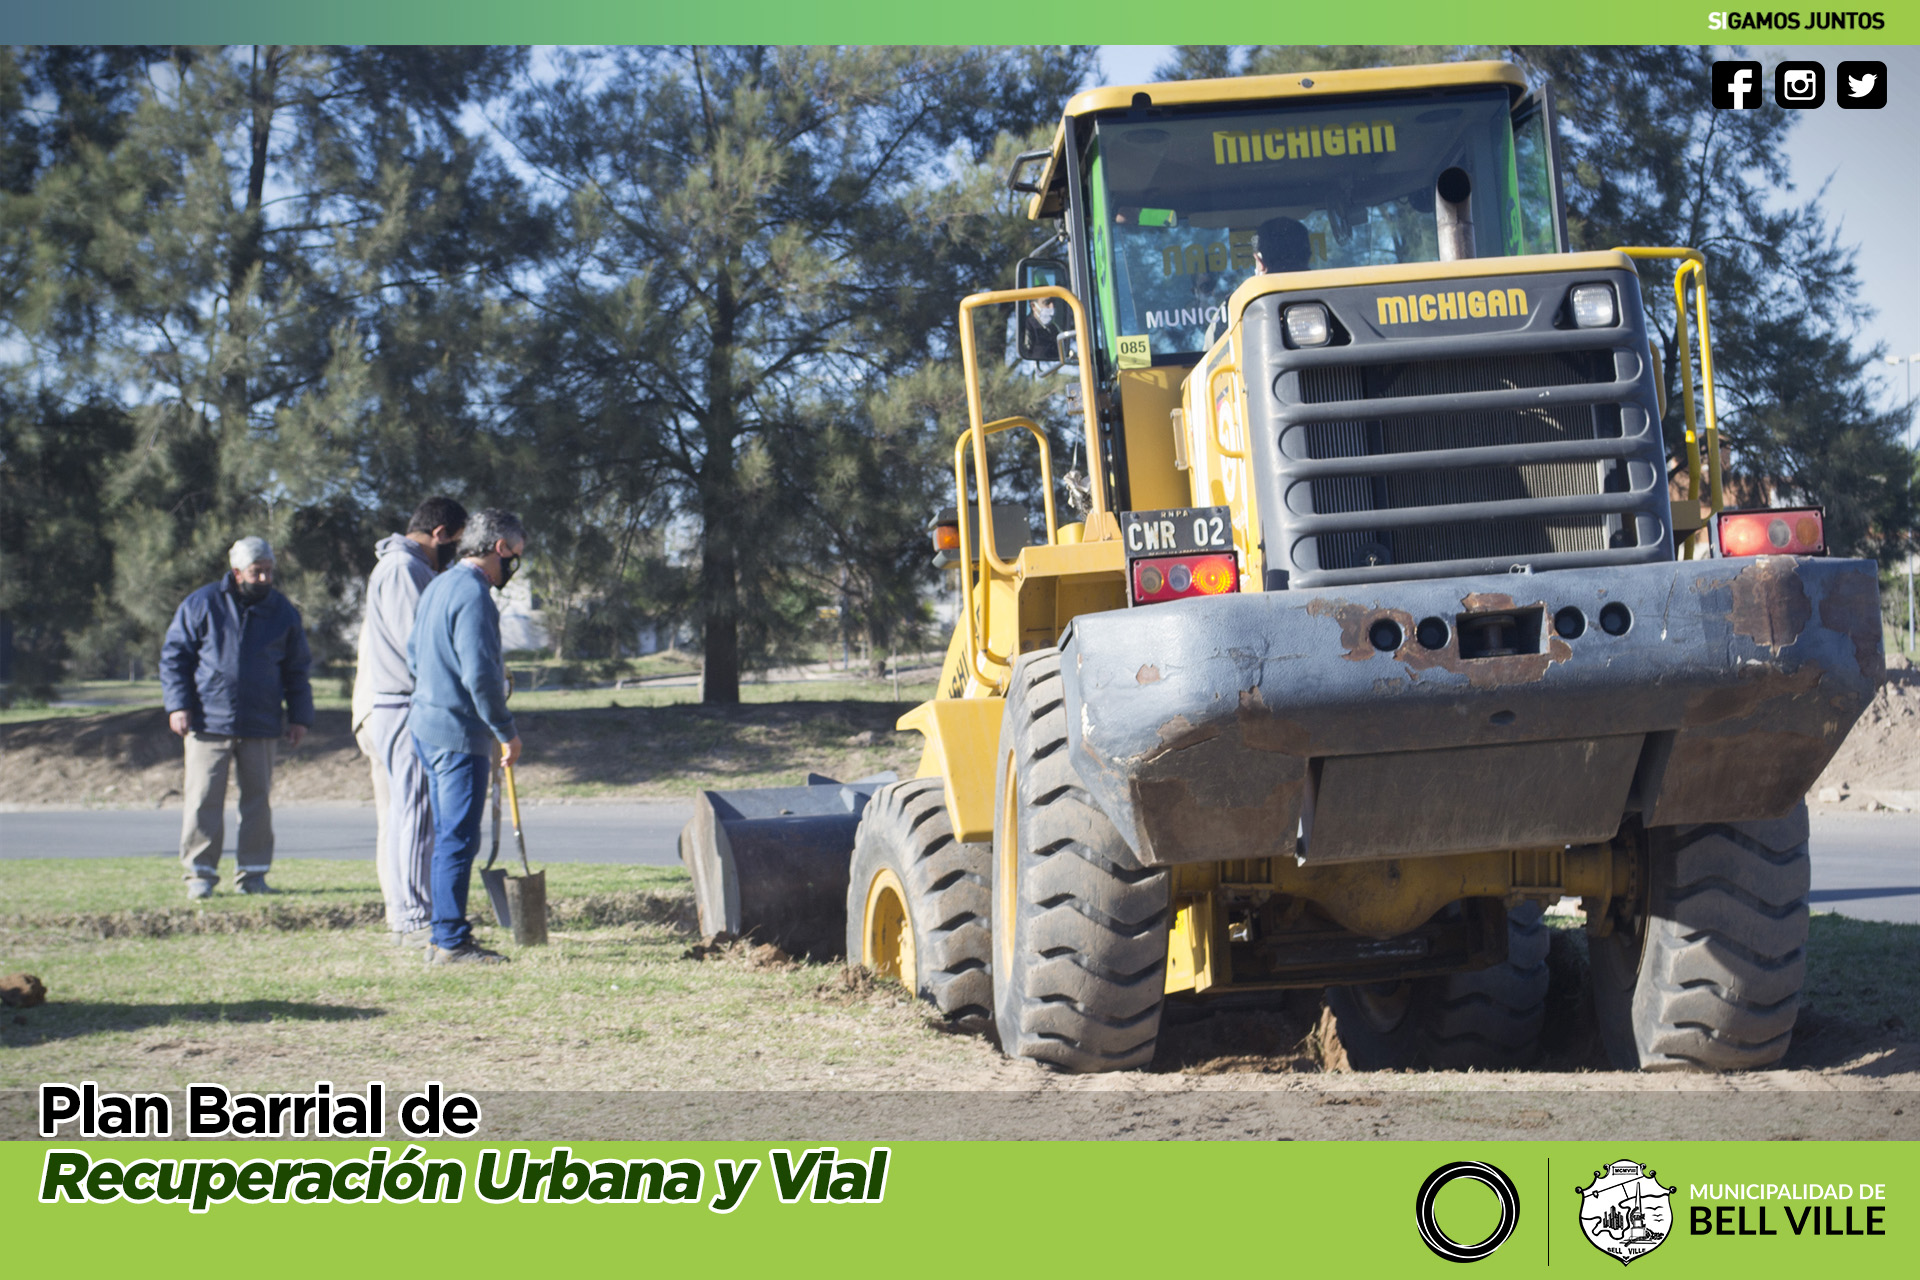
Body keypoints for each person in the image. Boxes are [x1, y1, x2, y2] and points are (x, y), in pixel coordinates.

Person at [161, 537, 314, 899]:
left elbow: (297, 669)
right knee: (203, 799)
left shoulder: (283, 612)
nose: (264, 579)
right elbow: (175, 658)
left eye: (269, 571)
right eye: (257, 572)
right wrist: (178, 705)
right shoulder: (201, 603)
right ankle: (200, 874)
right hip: (208, 722)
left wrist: (299, 717)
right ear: (237, 572)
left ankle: (253, 875)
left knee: (257, 801)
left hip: (261, 723)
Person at [407, 509, 526, 964]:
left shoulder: (439, 585)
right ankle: (451, 942)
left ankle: (443, 936)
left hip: (426, 726)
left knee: (448, 837)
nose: (514, 565)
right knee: (458, 840)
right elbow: (481, 676)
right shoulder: (475, 595)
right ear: (499, 548)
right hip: (458, 734)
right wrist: (506, 731)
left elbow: (413, 655)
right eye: (515, 554)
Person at [351, 496, 468, 947]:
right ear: (440, 534)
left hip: (396, 704)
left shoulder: (409, 567)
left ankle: (408, 912)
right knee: (414, 814)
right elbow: (416, 645)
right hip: (400, 704)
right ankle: (412, 917)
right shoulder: (403, 569)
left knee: (405, 813)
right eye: (457, 542)